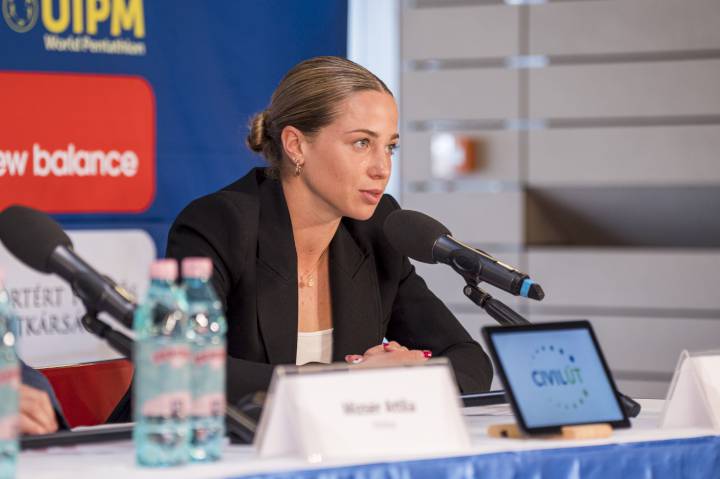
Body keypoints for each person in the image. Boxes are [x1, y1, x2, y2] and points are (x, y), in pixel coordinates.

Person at [166, 56, 493, 404]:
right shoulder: (221, 223)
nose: (382, 168)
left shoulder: (376, 230)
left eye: (390, 147)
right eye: (362, 143)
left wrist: (414, 375)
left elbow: (469, 361)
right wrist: (348, 379)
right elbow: (180, 368)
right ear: (296, 145)